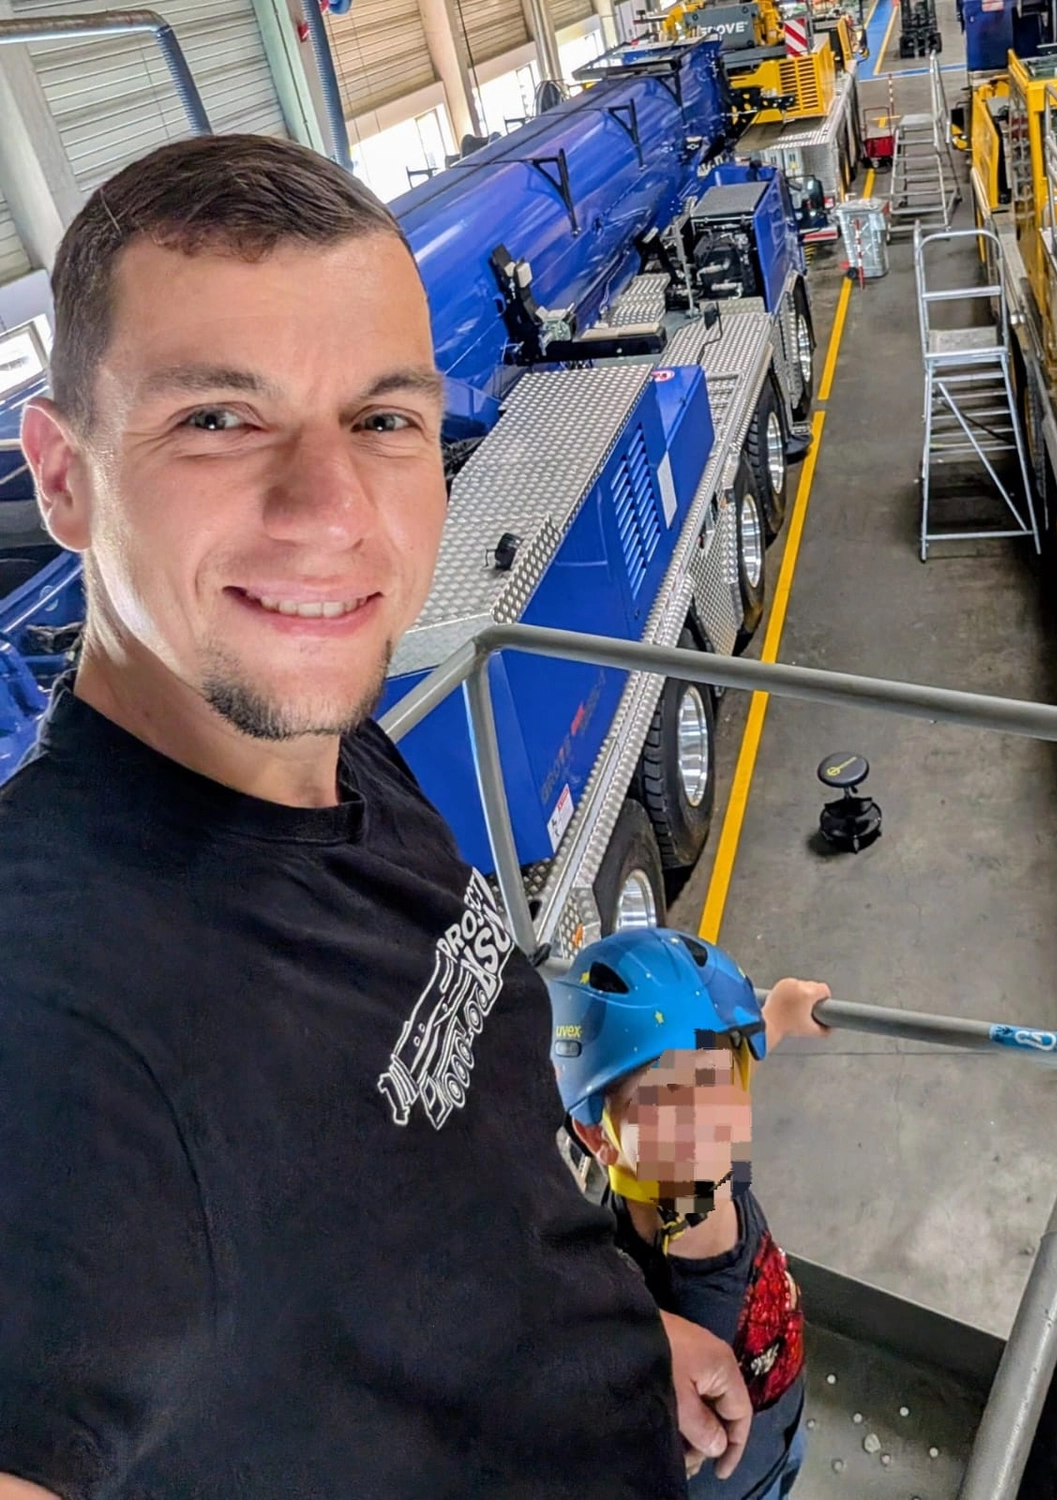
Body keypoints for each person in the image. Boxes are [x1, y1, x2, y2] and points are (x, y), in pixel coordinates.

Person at [0, 134, 752, 1499]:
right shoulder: (61, 1024)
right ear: (63, 476)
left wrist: (615, 1329)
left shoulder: (335, 741)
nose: (330, 512)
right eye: (218, 419)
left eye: (384, 418)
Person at [548, 927, 832, 1500]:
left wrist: (773, 1016)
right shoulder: (699, 1227)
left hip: (779, 1425)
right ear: (594, 1134)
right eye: (666, 1100)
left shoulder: (661, 1183)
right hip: (744, 1478)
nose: (711, 1125)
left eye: (717, 1080)